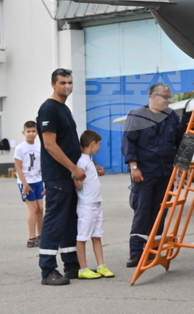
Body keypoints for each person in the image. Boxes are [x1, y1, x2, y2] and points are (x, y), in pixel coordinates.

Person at [38, 68, 100, 286]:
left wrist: (90, 165)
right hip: (58, 176)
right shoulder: (49, 109)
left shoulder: (64, 109)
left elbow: (70, 145)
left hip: (70, 177)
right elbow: (50, 145)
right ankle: (47, 270)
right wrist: (74, 169)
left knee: (69, 221)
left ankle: (72, 266)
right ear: (53, 84)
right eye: (63, 82)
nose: (67, 86)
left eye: (70, 82)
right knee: (55, 221)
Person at [123, 83, 183, 268]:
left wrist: (182, 166)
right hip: (145, 172)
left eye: (169, 97)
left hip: (166, 172)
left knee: (160, 211)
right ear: (153, 97)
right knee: (143, 210)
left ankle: (154, 248)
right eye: (165, 97)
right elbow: (128, 142)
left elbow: (181, 139)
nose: (168, 100)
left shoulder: (171, 116)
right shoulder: (137, 115)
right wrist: (134, 166)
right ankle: (136, 252)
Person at [74, 130, 113, 280]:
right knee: (83, 236)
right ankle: (83, 268)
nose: (100, 147)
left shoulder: (89, 160)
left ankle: (101, 265)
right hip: (87, 204)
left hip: (96, 203)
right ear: (93, 143)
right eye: (99, 144)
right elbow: (78, 183)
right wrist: (75, 178)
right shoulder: (82, 162)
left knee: (97, 235)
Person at [14, 120, 45, 248]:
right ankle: (31, 238)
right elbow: (18, 168)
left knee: (40, 208)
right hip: (26, 182)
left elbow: (43, 166)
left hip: (38, 180)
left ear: (37, 132)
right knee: (32, 209)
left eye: (33, 131)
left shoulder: (39, 147)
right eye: (28, 132)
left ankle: (41, 235)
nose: (31, 134)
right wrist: (25, 184)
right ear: (24, 132)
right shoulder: (20, 148)